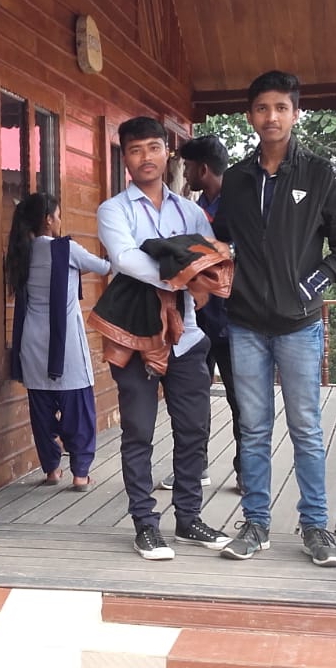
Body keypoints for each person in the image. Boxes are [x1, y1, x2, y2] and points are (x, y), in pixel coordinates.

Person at [214, 71, 336, 567]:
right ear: (250, 116)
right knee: (253, 428)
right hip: (246, 324)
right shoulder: (236, 179)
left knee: (306, 429)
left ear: (296, 113)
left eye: (281, 107)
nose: (271, 116)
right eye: (262, 108)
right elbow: (222, 239)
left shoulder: (320, 174)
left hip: (300, 324)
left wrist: (306, 288)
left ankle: (315, 527)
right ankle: (255, 524)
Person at [96, 116, 230, 561]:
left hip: (187, 336)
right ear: (125, 158)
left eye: (153, 147)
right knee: (138, 431)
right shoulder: (114, 210)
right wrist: (182, 273)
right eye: (135, 150)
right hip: (136, 335)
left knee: (194, 429)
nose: (145, 157)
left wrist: (193, 271)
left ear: (166, 153)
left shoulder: (190, 212)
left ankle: (189, 518)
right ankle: (145, 524)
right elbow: (125, 259)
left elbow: (209, 261)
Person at [5, 193, 110, 491]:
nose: (60, 221)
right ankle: (80, 473)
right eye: (59, 215)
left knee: (41, 409)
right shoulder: (67, 249)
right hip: (65, 345)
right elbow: (104, 267)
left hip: (32, 342)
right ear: (48, 220)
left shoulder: (21, 253)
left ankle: (52, 470)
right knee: (78, 407)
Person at [157, 136, 241, 493]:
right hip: (196, 319)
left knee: (241, 399)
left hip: (235, 319)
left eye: (188, 167)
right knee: (192, 399)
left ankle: (246, 471)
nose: (186, 173)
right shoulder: (192, 208)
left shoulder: (239, 205)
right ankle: (195, 468)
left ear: (203, 169)